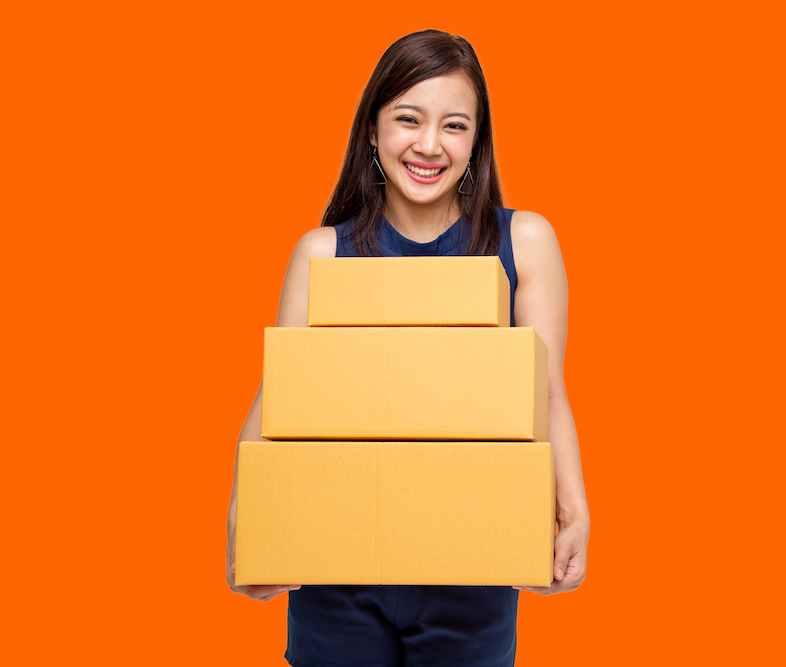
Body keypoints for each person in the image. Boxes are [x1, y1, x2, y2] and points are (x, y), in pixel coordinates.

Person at [226, 29, 589, 667]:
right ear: (372, 129)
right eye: (407, 119)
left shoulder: (523, 244)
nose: (428, 145)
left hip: (472, 570)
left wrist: (574, 511)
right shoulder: (323, 252)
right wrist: (246, 527)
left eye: (454, 125)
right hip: (336, 572)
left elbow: (548, 392)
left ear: (477, 140)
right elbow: (279, 403)